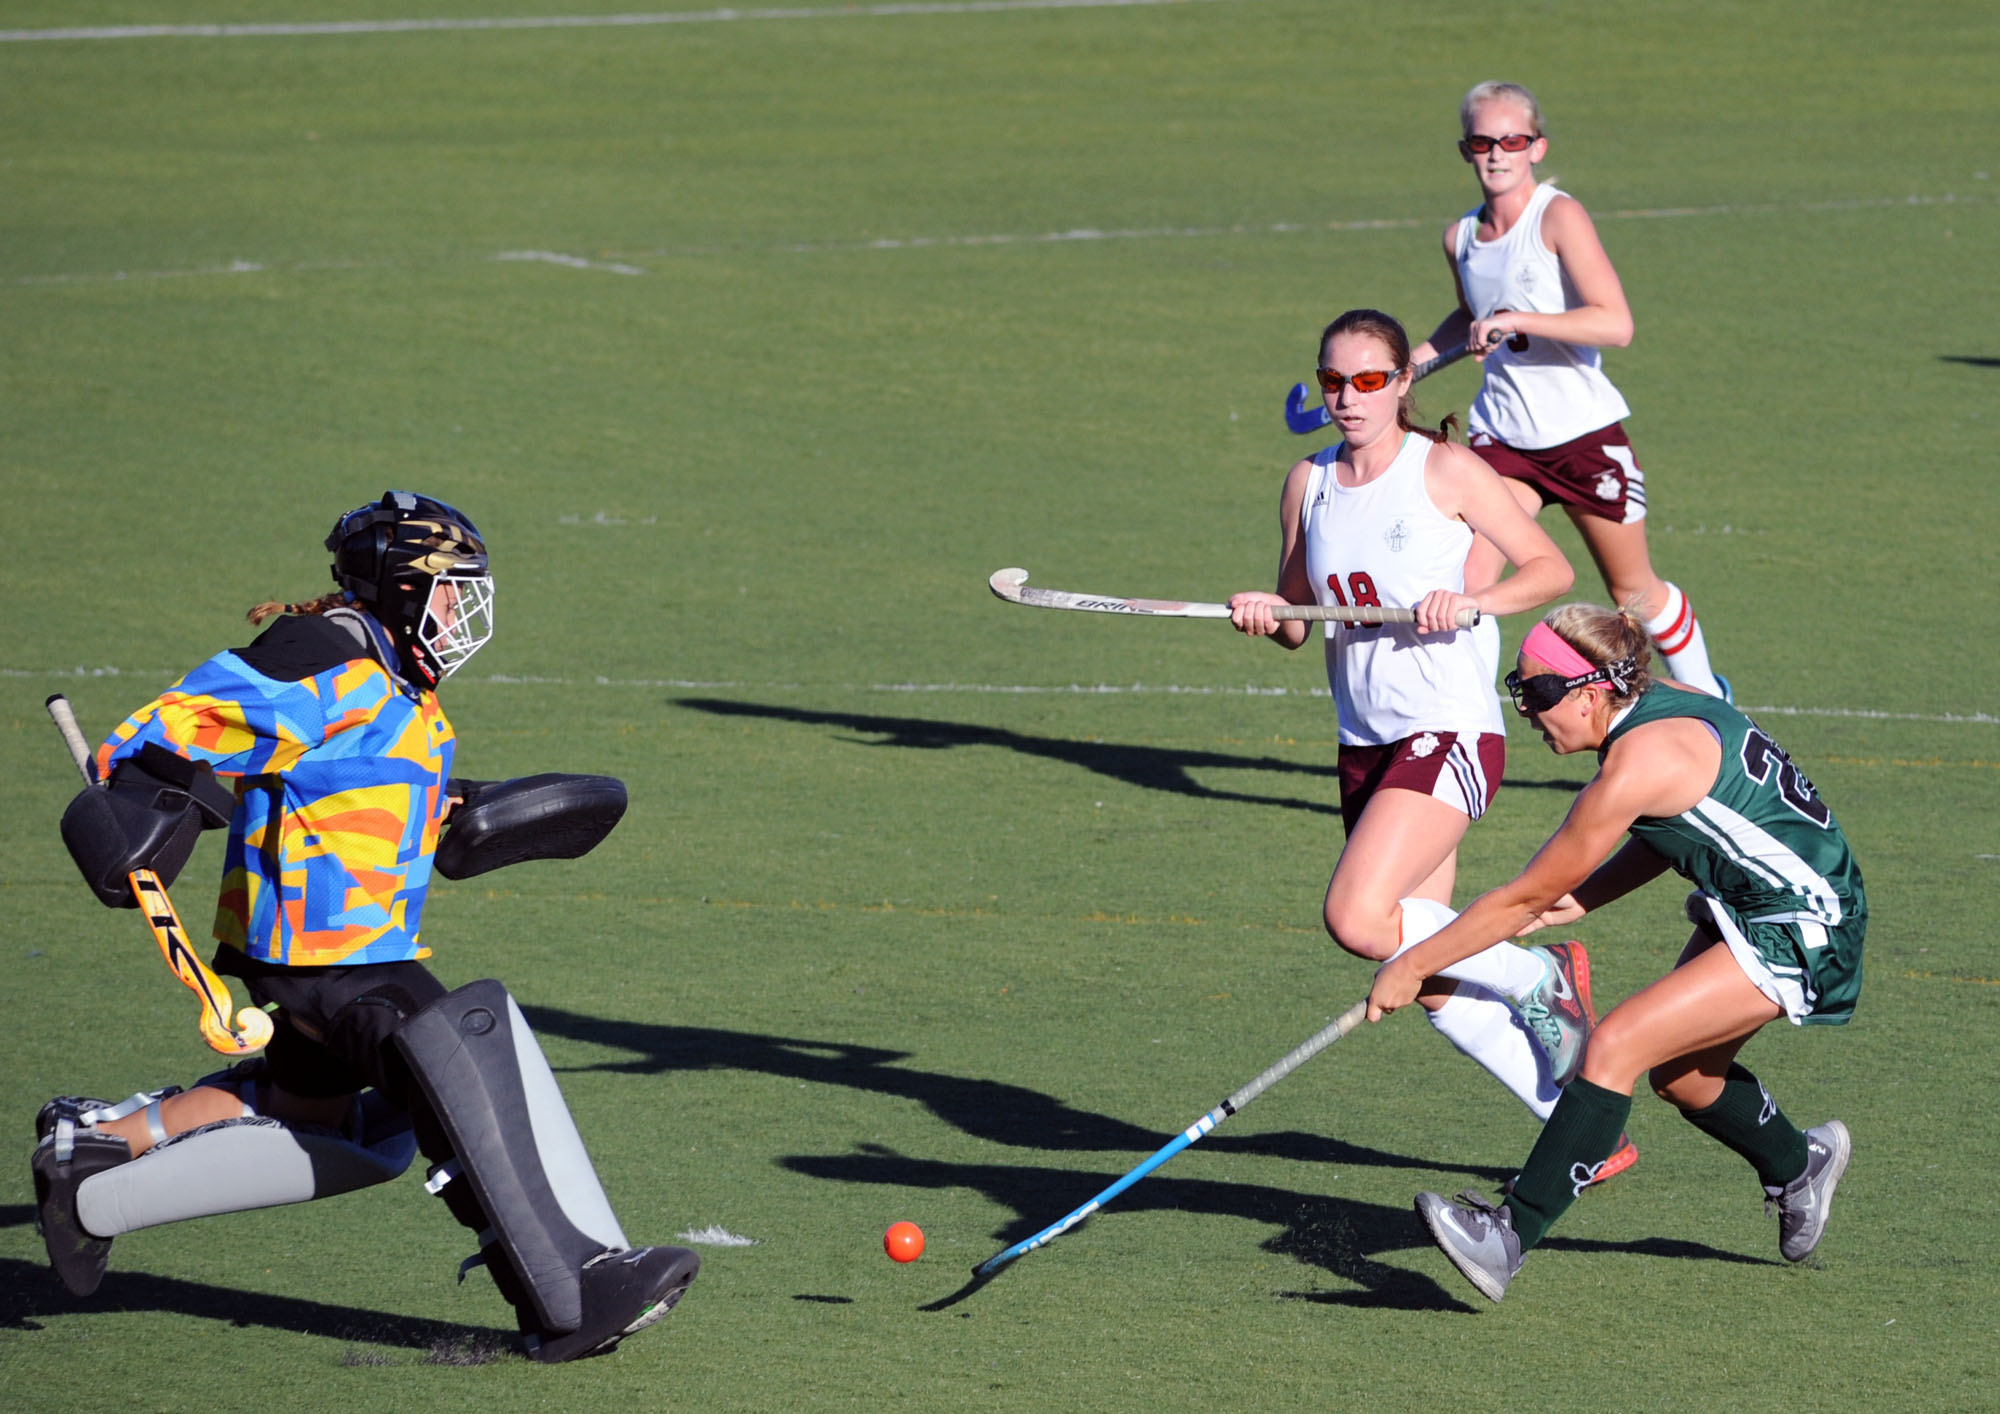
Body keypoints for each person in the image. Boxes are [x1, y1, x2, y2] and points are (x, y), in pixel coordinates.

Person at [31, 491, 698, 1362]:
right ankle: (575, 1288)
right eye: (452, 589)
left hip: (331, 947)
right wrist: (138, 813)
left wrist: (463, 810)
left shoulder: (387, 675)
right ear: (398, 583)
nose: (462, 611)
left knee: (337, 1123)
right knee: (463, 1055)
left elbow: (356, 781)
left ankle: (92, 1166)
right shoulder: (319, 654)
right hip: (329, 954)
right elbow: (169, 727)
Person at [1228, 309, 1630, 1171]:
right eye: (1334, 381)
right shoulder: (1309, 482)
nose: (1349, 398)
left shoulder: (1444, 469)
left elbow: (1551, 570)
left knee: (1355, 916)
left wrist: (1472, 602)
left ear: (1404, 383)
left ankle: (1538, 978)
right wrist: (1266, 617)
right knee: (1431, 969)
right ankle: (1579, 1137)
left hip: (1446, 728)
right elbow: (1302, 619)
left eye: (1370, 380)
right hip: (1363, 741)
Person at [1369, 603, 1863, 1302]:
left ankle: (1508, 1235)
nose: (1527, 709)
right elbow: (1677, 823)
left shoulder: (1633, 767)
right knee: (1685, 1079)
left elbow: (1518, 899)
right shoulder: (1666, 705)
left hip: (1803, 923)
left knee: (1615, 1047)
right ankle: (1800, 1161)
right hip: (1756, 899)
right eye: (1519, 686)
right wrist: (1585, 896)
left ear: (1593, 691)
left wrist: (1414, 964)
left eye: (1539, 693)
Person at [1415, 79, 1728, 700]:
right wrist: (1410, 367)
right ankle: (1465, 716)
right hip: (1503, 439)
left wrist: (1520, 319)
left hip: (1581, 437)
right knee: (1473, 582)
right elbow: (1469, 316)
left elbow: (1615, 321)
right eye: (1483, 140)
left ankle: (1710, 704)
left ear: (1537, 146)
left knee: (1632, 592)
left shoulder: (1558, 216)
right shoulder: (1462, 239)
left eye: (1513, 139)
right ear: (1464, 150)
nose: (1498, 152)